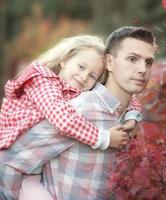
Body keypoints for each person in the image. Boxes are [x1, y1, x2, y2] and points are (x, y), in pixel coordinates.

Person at [0, 33, 146, 199]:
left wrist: (132, 114)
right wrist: (104, 138)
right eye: (81, 67)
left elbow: (116, 95)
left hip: (35, 169)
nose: (84, 77)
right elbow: (62, 120)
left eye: (92, 76)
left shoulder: (77, 91)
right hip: (15, 167)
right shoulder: (42, 81)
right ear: (65, 60)